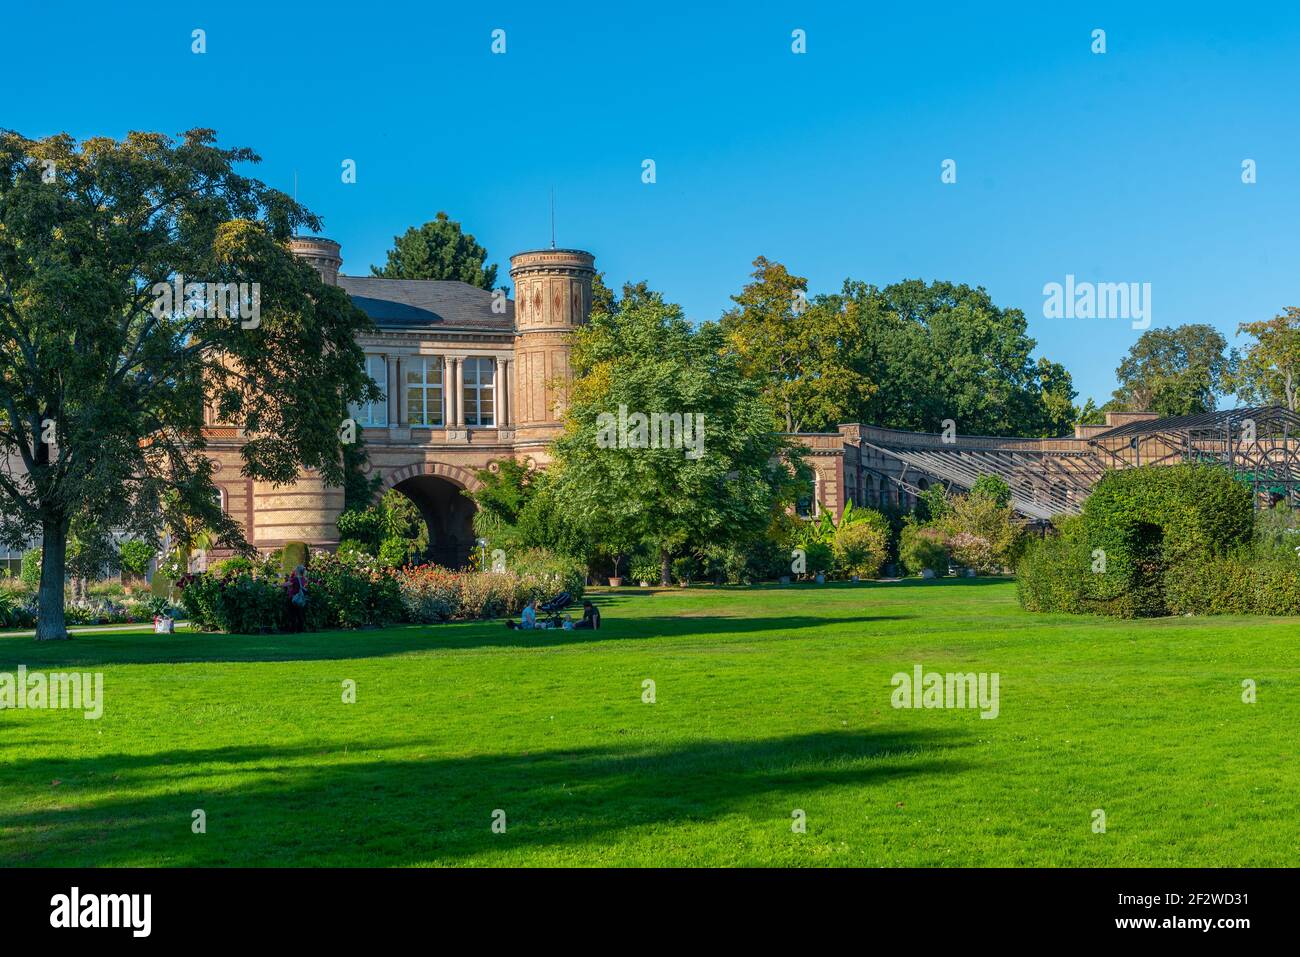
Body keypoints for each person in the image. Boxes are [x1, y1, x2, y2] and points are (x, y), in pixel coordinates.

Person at [286, 564, 307, 632]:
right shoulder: (303, 579)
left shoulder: (295, 579)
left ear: (297, 571)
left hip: (293, 598)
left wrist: (277, 585)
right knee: (299, 615)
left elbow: (287, 584)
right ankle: (300, 629)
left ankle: (292, 629)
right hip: (300, 599)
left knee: (292, 615)